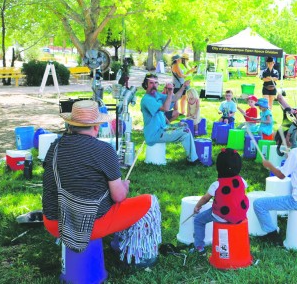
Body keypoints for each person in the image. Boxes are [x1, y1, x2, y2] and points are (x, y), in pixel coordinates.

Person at [42, 100, 162, 268]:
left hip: (54, 222)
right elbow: (118, 196)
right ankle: (137, 256)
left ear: (72, 125)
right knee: (150, 203)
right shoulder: (104, 150)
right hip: (89, 224)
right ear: (96, 127)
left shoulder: (55, 147)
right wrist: (124, 187)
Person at [253, 114, 297, 243]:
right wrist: (289, 157)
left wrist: (269, 166)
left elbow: (281, 175)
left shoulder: (296, 153)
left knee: (259, 204)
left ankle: (272, 234)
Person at [189, 149, 249, 254]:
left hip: (221, 216)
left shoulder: (217, 184)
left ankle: (199, 247)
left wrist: (197, 207)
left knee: (198, 220)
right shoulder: (242, 180)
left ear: (219, 167)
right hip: (240, 215)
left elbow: (205, 198)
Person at [140, 74, 199, 164]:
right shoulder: (147, 99)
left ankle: (192, 156)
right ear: (146, 85)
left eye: (156, 83)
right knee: (185, 132)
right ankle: (193, 160)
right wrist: (170, 92)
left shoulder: (156, 95)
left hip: (163, 128)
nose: (154, 85)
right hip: (155, 134)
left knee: (184, 125)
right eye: (151, 83)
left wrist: (183, 87)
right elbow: (166, 108)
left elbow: (174, 98)